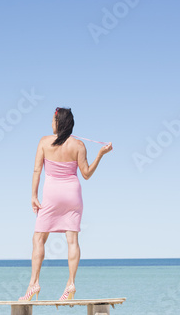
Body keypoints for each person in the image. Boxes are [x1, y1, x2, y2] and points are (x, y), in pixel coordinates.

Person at [18, 107, 112, 301]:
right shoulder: (78, 145)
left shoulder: (44, 142)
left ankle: (33, 283)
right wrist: (101, 154)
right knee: (72, 241)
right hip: (73, 195)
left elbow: (37, 171)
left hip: (52, 195)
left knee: (38, 239)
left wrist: (33, 195)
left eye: (52, 121)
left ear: (58, 122)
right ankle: (70, 284)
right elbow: (86, 174)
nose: (51, 124)